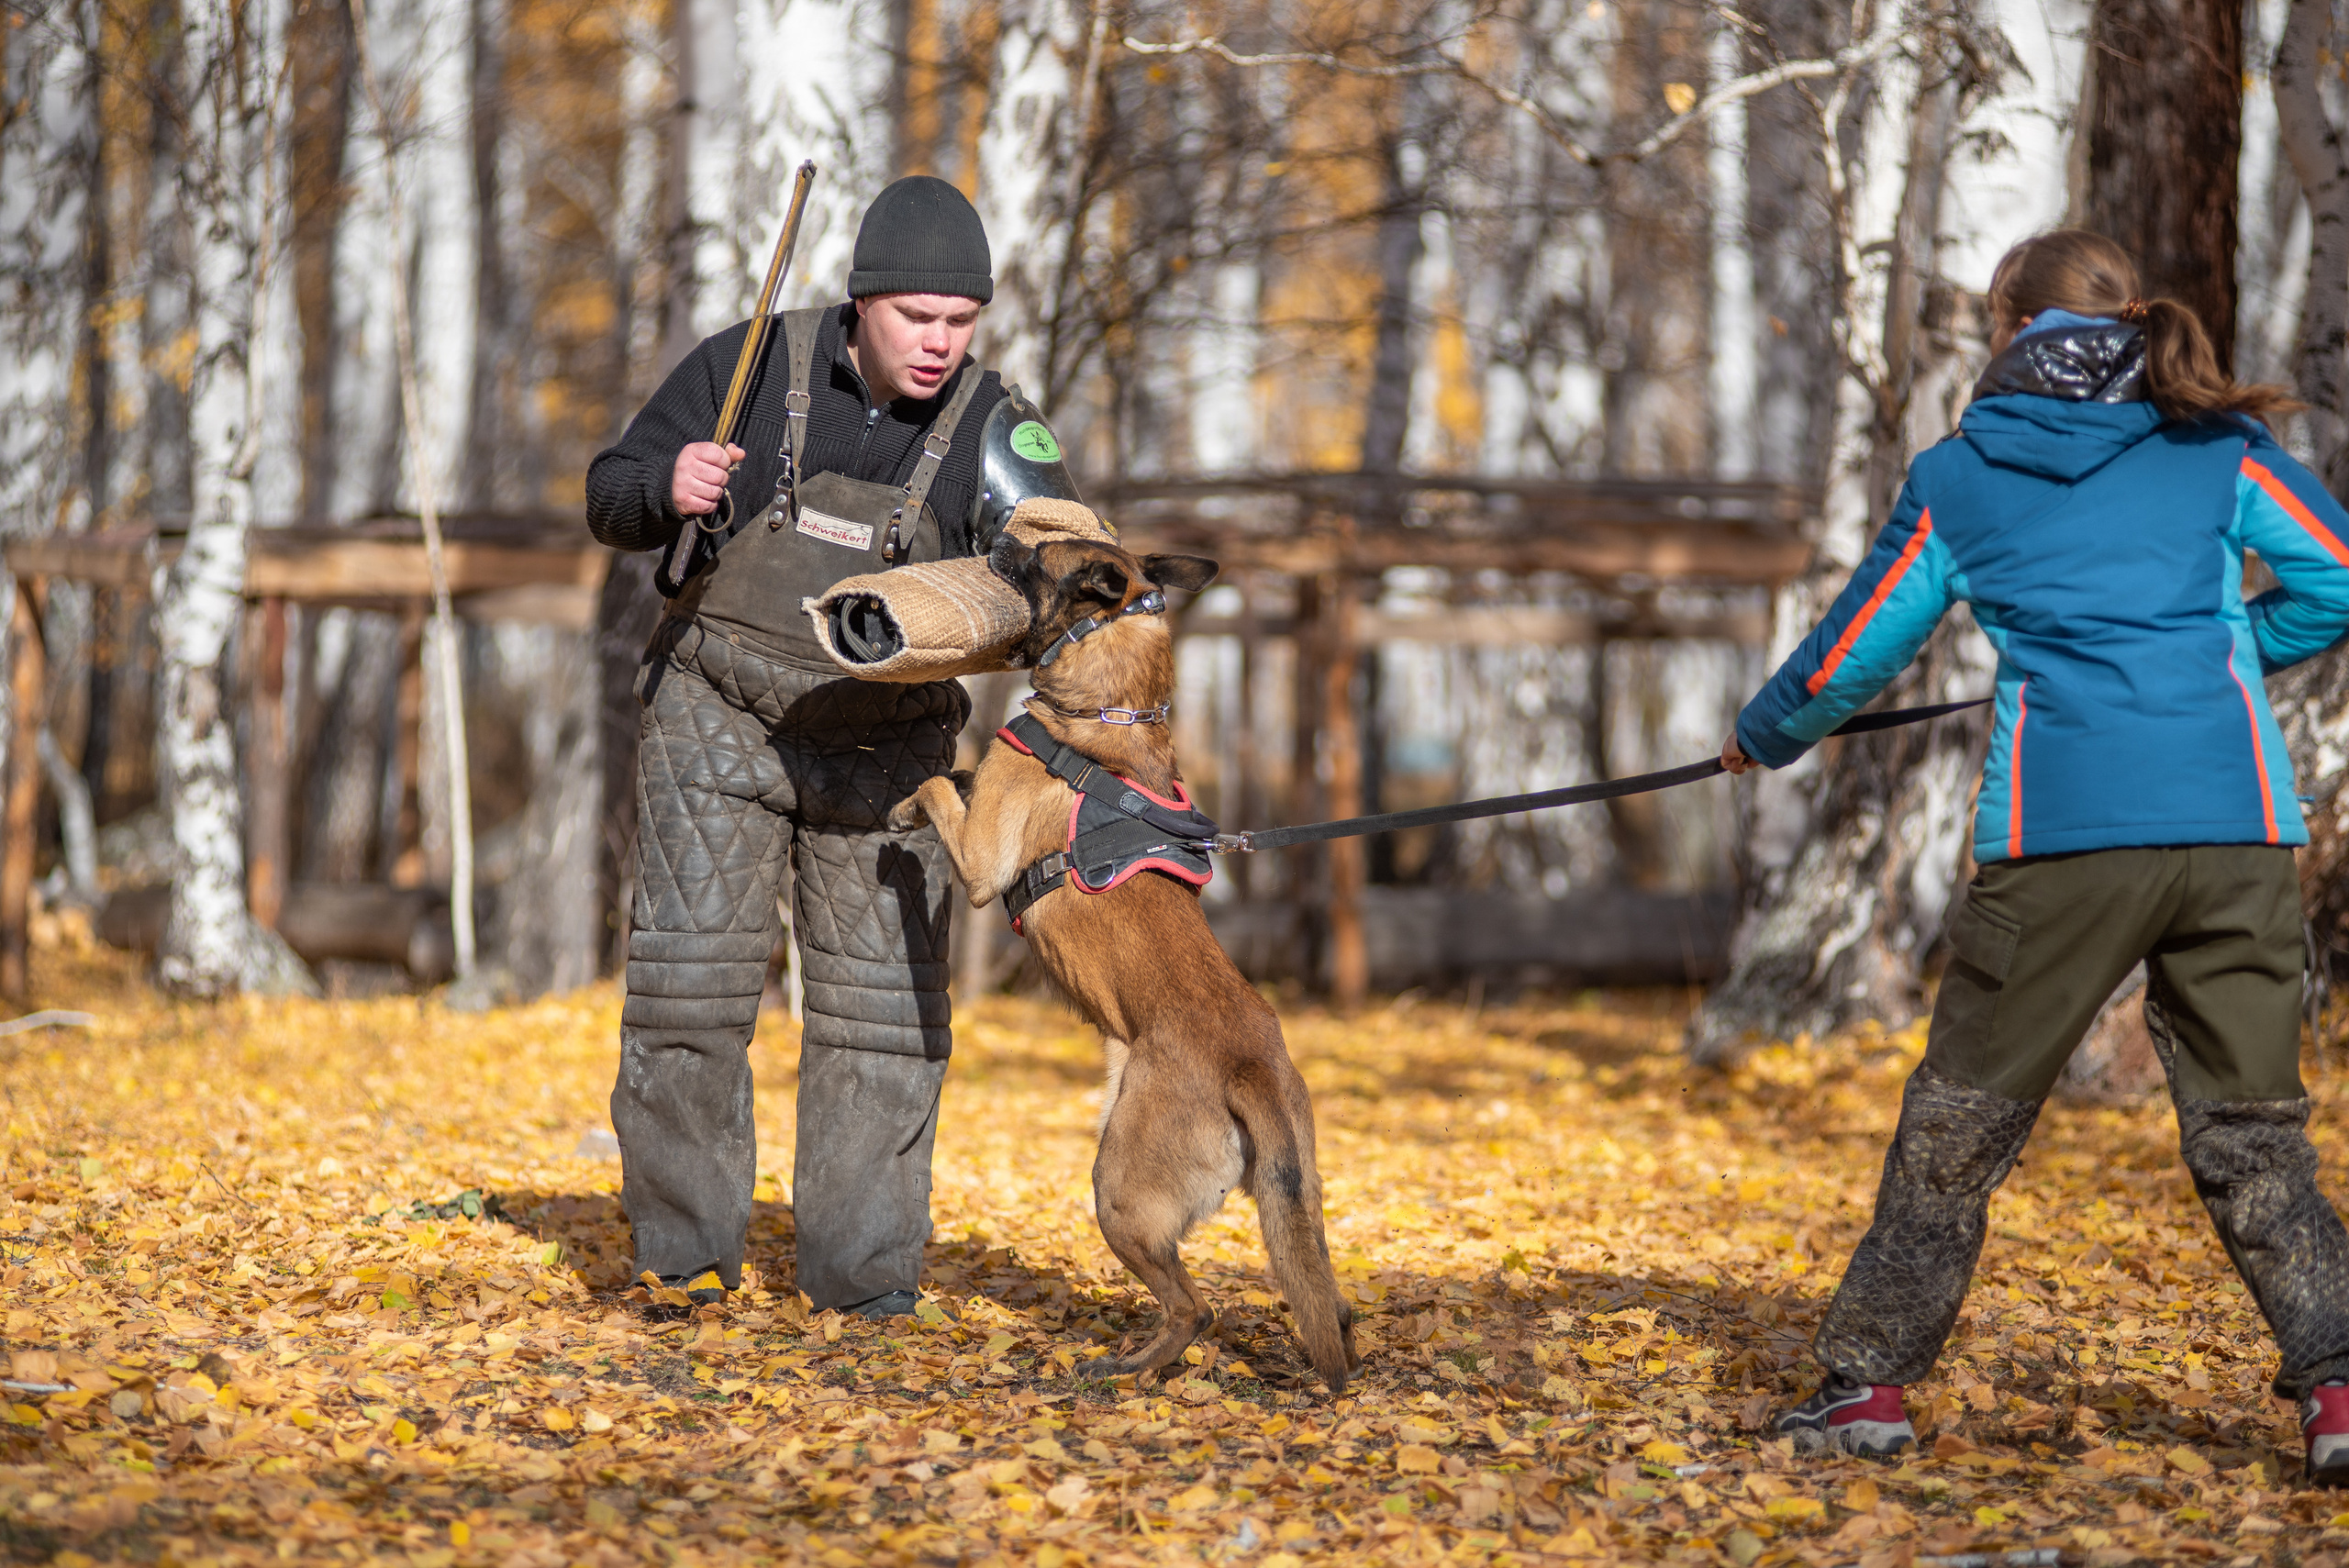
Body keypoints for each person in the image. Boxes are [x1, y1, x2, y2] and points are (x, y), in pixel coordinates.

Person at [1722, 228, 2349, 1484]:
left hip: (2063, 838)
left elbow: (1854, 655)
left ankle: (1868, 1389)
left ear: (2010, 324)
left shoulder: (1965, 471)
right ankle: (2338, 1395)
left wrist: (1761, 736)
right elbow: (2333, 581)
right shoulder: (2218, 445)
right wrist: (2211, 665)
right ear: (2129, 315)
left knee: (1961, 1123)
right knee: (2253, 1130)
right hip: (2237, 829)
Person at [585, 175, 1085, 1318]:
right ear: (861, 301)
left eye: (962, 324)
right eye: (919, 318)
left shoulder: (994, 428)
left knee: (883, 1019)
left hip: (886, 751)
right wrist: (663, 486)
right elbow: (607, 495)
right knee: (687, 996)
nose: (940, 345)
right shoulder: (748, 365)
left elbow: (1065, 570)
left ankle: (861, 1291)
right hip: (713, 717)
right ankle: (682, 1264)